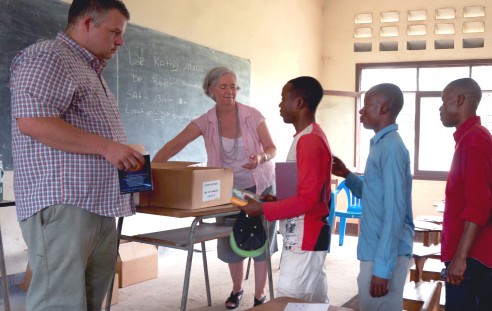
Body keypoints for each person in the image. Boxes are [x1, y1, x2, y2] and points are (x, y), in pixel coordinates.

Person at [9, 0, 144, 309]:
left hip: (97, 204)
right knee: (59, 303)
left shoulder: (88, 68)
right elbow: (33, 122)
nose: (120, 41)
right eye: (114, 32)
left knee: (89, 301)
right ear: (87, 24)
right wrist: (108, 147)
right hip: (65, 204)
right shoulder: (49, 56)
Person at [152, 66, 277, 308]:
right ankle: (237, 289)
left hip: (260, 186)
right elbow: (174, 145)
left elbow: (272, 148)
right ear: (210, 90)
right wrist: (150, 170)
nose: (230, 91)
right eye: (223, 86)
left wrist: (260, 158)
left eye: (233, 86)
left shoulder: (253, 115)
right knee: (232, 239)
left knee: (260, 240)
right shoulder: (205, 121)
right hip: (229, 192)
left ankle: (260, 295)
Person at [240, 76, 332, 303]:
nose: (280, 105)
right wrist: (266, 200)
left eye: (284, 99)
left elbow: (307, 201)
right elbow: (298, 191)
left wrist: (263, 210)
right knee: (313, 302)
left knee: (290, 300)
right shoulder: (304, 137)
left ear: (299, 103)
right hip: (301, 235)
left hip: (305, 237)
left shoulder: (310, 140)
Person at [331, 83, 414, 310]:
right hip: (376, 248)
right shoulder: (381, 144)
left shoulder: (391, 148)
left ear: (384, 108)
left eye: (367, 105)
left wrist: (383, 269)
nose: (361, 111)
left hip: (384, 253)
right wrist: (347, 174)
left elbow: (394, 211)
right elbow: (374, 195)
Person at [438, 78, 492, 311]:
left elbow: (478, 207)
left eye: (443, 101)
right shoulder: (469, 137)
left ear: (459, 100)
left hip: (471, 258)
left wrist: (460, 258)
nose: (440, 108)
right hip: (467, 253)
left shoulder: (475, 139)